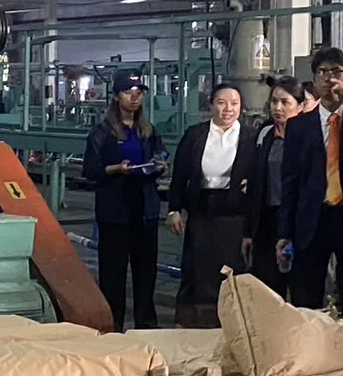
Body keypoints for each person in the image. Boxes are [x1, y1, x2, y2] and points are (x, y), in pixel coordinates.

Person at [277, 49, 343, 342]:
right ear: (314, 79)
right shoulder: (299, 126)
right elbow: (290, 182)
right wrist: (284, 233)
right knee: (306, 297)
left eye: (337, 72)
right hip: (311, 220)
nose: (330, 79)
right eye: (323, 72)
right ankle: (310, 351)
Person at [168, 84, 258, 328]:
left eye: (234, 103)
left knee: (232, 271)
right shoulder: (195, 135)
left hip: (235, 213)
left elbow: (261, 173)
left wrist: (253, 183)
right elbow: (180, 174)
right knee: (196, 271)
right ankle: (193, 325)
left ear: (241, 108)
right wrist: (174, 209)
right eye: (221, 102)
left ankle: (231, 325)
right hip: (201, 210)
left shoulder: (252, 137)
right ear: (211, 106)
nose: (228, 109)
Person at [83, 71, 166, 332]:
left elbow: (159, 155)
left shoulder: (148, 131)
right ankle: (113, 326)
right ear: (116, 97)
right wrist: (116, 169)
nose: (134, 98)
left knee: (146, 272)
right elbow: (91, 170)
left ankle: (146, 325)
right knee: (113, 273)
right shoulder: (102, 133)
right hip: (115, 211)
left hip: (144, 210)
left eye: (138, 93)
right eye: (128, 93)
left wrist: (159, 166)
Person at [243, 76, 306, 298]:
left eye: (285, 102)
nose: (278, 108)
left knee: (301, 289)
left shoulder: (309, 136)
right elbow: (256, 184)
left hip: (298, 220)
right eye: (274, 101)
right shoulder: (265, 134)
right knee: (268, 289)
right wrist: (249, 231)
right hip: (268, 219)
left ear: (300, 105)